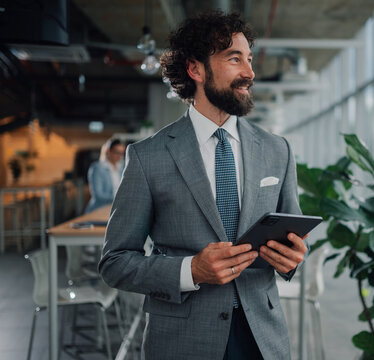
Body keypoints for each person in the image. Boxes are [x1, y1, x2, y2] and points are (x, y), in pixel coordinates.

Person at [98, 11, 307, 360]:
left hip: (263, 337)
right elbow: (116, 262)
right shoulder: (148, 157)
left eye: (250, 59)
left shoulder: (277, 150)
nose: (250, 73)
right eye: (234, 58)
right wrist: (190, 270)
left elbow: (293, 238)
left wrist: (293, 259)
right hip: (183, 339)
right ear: (195, 69)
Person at [85, 138, 125, 213]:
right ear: (108, 152)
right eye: (117, 152)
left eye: (122, 153)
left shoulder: (121, 169)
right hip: (98, 211)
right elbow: (98, 195)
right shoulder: (97, 168)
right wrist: (120, 198)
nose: (120, 156)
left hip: (112, 210)